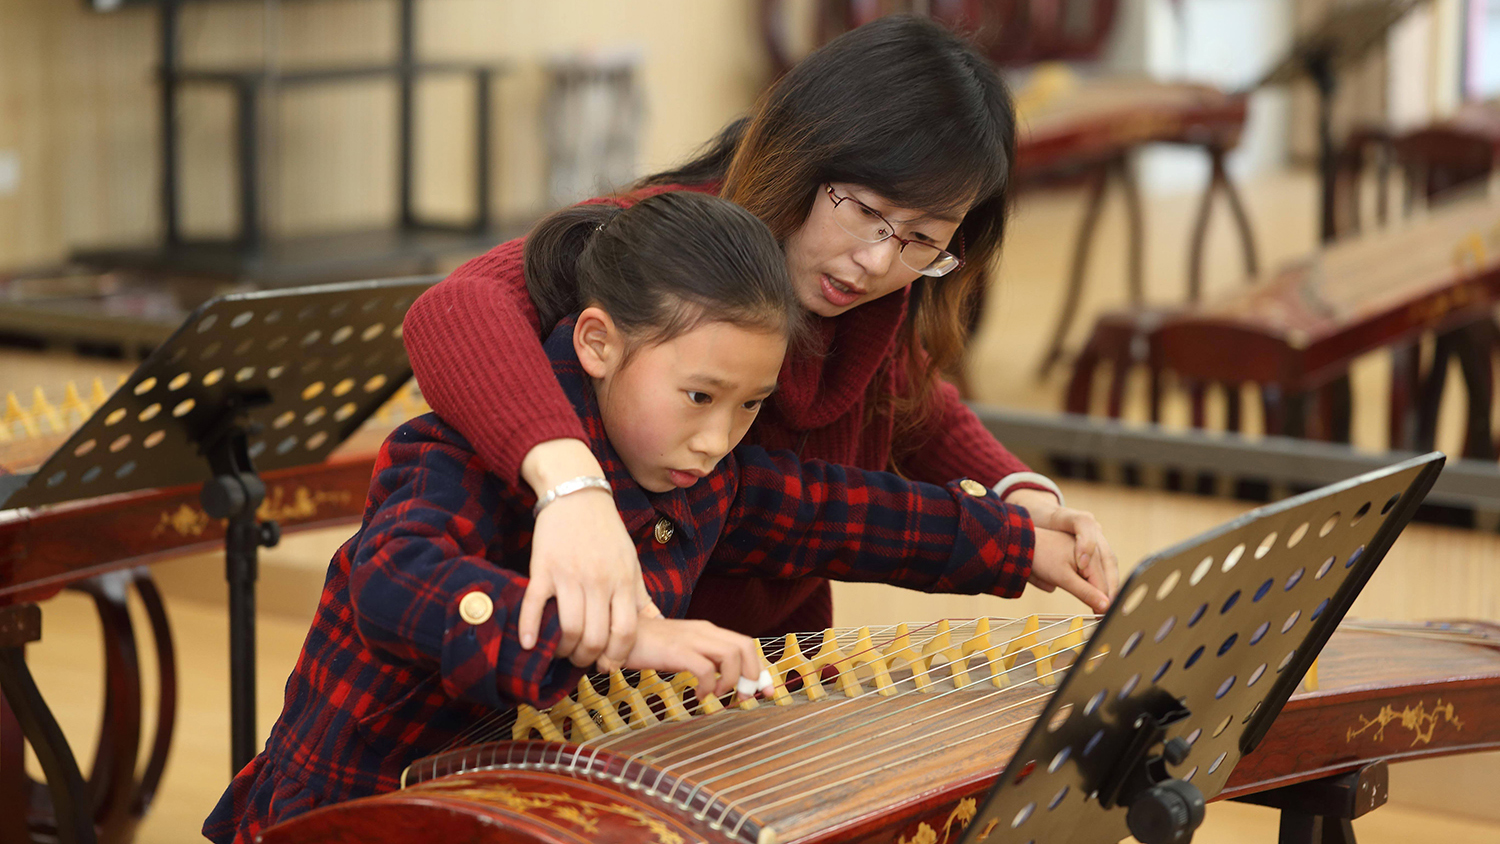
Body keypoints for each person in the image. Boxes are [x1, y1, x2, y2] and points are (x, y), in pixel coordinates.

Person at [204, 192, 1062, 844]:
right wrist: (620, 637)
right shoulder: (465, 450)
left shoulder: (697, 469)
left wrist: (1022, 542)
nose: (718, 437)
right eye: (699, 396)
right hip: (358, 806)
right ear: (598, 344)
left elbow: (836, 514)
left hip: (518, 798)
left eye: (750, 406)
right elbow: (394, 580)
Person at [400, 15, 1120, 672]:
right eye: (866, 210)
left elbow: (912, 403)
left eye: (922, 239)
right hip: (596, 657)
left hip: (749, 662)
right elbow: (455, 307)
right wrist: (574, 490)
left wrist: (1021, 496)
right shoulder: (670, 243)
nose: (877, 261)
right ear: (802, 156)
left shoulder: (876, 297)